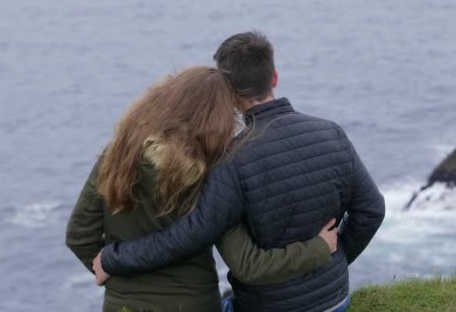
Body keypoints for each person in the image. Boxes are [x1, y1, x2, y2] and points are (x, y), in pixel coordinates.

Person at [94, 32, 386, 312]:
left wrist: (113, 258)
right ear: (274, 77)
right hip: (335, 301)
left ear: (228, 92)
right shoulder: (331, 132)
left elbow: (189, 236)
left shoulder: (232, 159)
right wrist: (332, 261)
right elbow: (372, 210)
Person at [65, 66, 338, 312]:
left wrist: (109, 270)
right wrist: (318, 248)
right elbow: (249, 265)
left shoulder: (116, 156)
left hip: (123, 304)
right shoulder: (213, 173)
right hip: (193, 303)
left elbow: (79, 235)